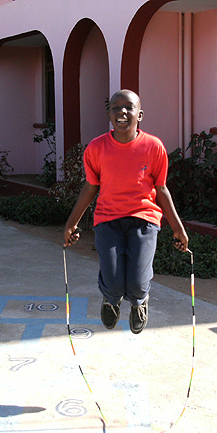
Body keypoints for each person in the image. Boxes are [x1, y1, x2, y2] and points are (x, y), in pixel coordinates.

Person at [63, 89, 189, 334]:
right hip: (108, 219)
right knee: (112, 279)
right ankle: (111, 300)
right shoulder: (96, 148)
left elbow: (161, 189)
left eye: (129, 107)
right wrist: (71, 223)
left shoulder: (154, 147)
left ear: (139, 114)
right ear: (109, 114)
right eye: (115, 107)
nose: (122, 111)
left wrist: (178, 228)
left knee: (138, 283)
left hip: (144, 219)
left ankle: (140, 303)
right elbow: (90, 187)